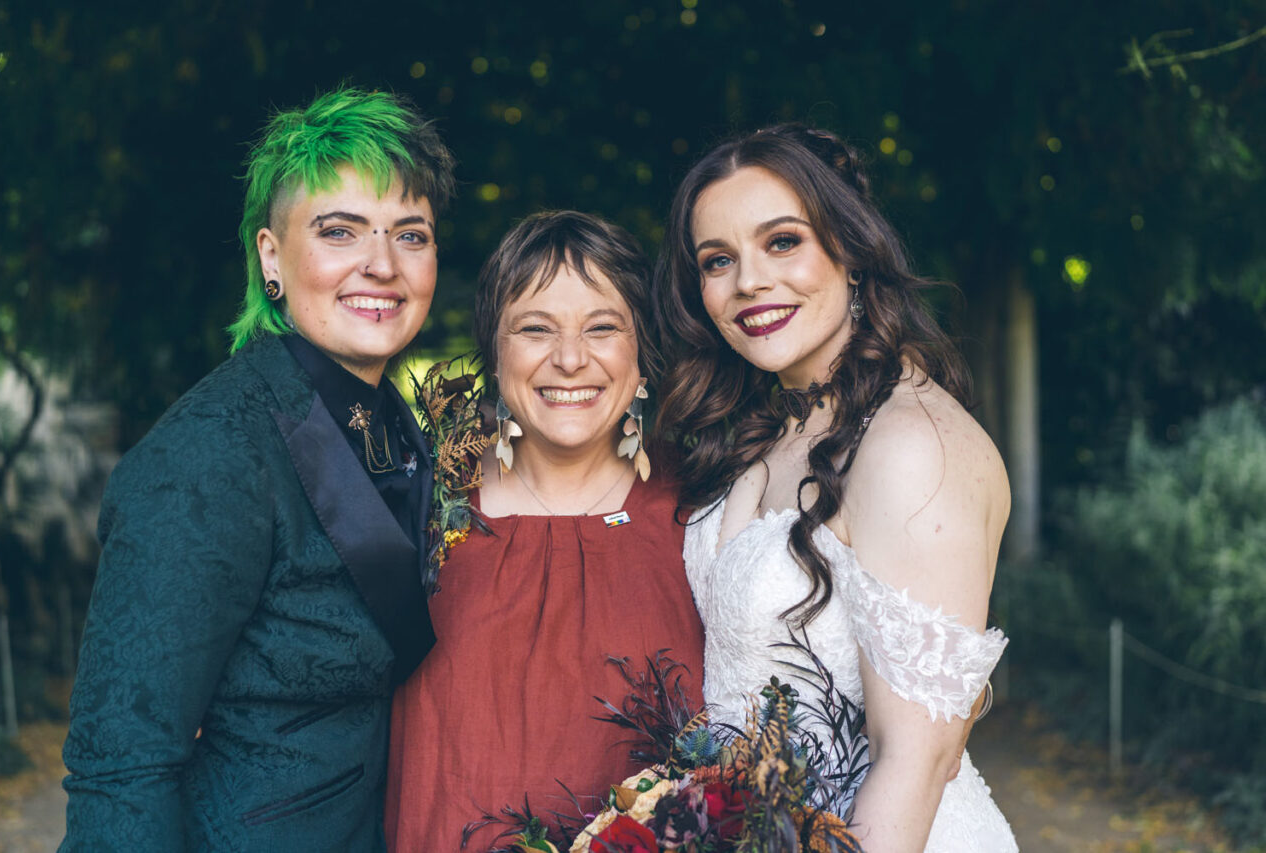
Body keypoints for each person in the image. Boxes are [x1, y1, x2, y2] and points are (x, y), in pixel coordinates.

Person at [60, 87, 455, 851]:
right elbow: (121, 765)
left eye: (411, 234)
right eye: (339, 231)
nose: (382, 264)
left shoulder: (396, 427)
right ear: (272, 257)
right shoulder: (207, 453)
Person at [654, 124, 1017, 852]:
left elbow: (917, 761)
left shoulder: (911, 444)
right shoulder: (772, 425)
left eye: (782, 241)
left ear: (850, 251)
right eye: (718, 260)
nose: (748, 281)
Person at [385, 211, 705, 852]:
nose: (570, 359)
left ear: (641, 351)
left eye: (602, 327)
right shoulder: (417, 501)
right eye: (535, 328)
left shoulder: (703, 507)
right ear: (494, 351)